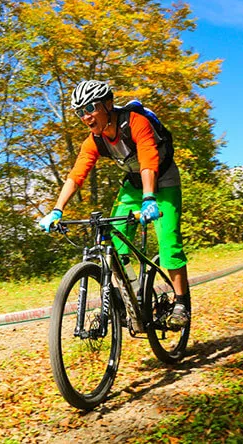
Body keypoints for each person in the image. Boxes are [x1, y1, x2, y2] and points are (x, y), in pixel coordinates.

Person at [37, 80, 190, 328]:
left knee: (168, 242)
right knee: (115, 243)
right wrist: (56, 209)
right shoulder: (94, 140)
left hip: (163, 178)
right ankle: (135, 295)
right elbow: (76, 175)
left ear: (108, 104)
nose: (85, 116)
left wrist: (150, 198)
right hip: (132, 183)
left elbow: (148, 160)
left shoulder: (135, 122)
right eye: (80, 112)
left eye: (90, 108)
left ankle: (181, 303)